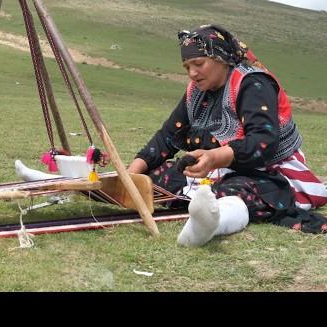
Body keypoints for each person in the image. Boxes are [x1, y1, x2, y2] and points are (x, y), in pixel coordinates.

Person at [127, 24, 327, 246]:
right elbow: (167, 136)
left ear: (220, 58)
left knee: (238, 191)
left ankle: (211, 223)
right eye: (187, 67)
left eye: (198, 64)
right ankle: (205, 206)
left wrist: (215, 157)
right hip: (221, 167)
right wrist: (129, 177)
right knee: (157, 176)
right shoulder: (196, 92)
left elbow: (262, 143)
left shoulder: (253, 83)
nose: (192, 73)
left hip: (272, 170)